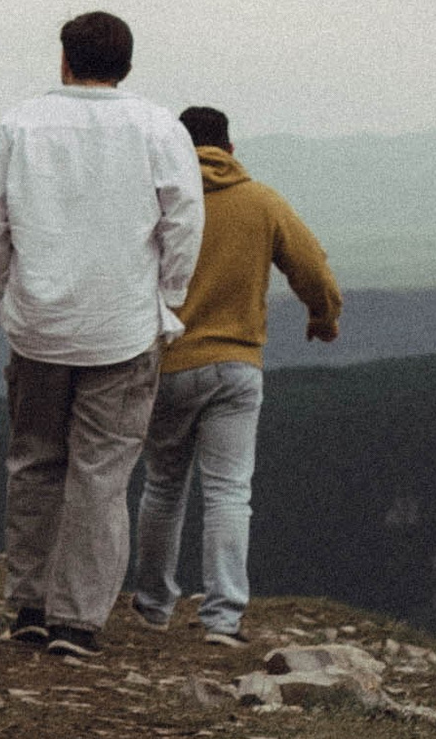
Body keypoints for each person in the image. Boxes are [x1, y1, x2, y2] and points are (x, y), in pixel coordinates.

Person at [0, 10, 202, 658]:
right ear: (126, 65)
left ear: (65, 61)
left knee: (35, 460)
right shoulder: (159, 128)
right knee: (101, 474)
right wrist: (168, 295)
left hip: (38, 325)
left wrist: (8, 279)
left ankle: (29, 605)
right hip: (123, 326)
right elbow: (184, 221)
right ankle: (76, 621)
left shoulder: (19, 125)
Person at [129, 105, 340, 642]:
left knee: (162, 486)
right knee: (228, 492)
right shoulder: (260, 200)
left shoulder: (156, 201)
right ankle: (223, 617)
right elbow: (312, 266)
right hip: (236, 365)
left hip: (167, 363)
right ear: (231, 150)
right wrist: (323, 317)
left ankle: (152, 605)